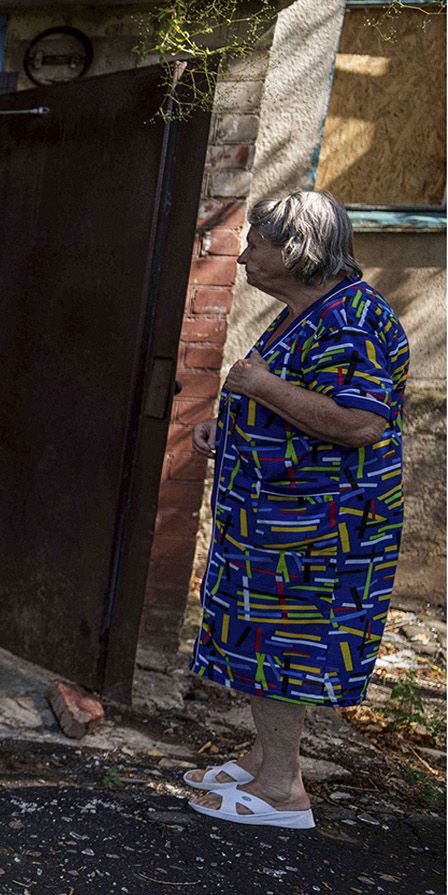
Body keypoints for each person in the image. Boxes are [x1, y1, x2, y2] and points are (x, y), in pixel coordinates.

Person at [183, 191, 407, 830]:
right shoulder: (306, 312)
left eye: (256, 244)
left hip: (321, 532)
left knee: (287, 648)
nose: (244, 256)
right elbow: (297, 402)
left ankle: (283, 791)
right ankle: (264, 760)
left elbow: (361, 423)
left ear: (297, 252)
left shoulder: (352, 322)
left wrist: (260, 387)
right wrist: (231, 426)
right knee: (265, 643)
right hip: (280, 522)